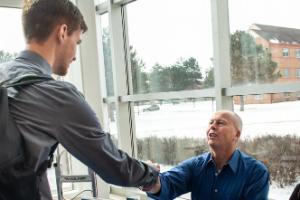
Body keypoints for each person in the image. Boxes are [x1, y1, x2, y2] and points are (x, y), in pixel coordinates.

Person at [0, 0, 158, 199]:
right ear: (62, 32)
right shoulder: (58, 95)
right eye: (77, 42)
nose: (75, 55)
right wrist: (150, 173)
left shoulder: (3, 74)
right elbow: (114, 167)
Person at [143, 110, 270, 200]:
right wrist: (149, 178)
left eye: (220, 123)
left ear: (236, 135)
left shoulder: (256, 172)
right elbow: (168, 185)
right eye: (211, 122)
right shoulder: (195, 166)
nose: (213, 126)